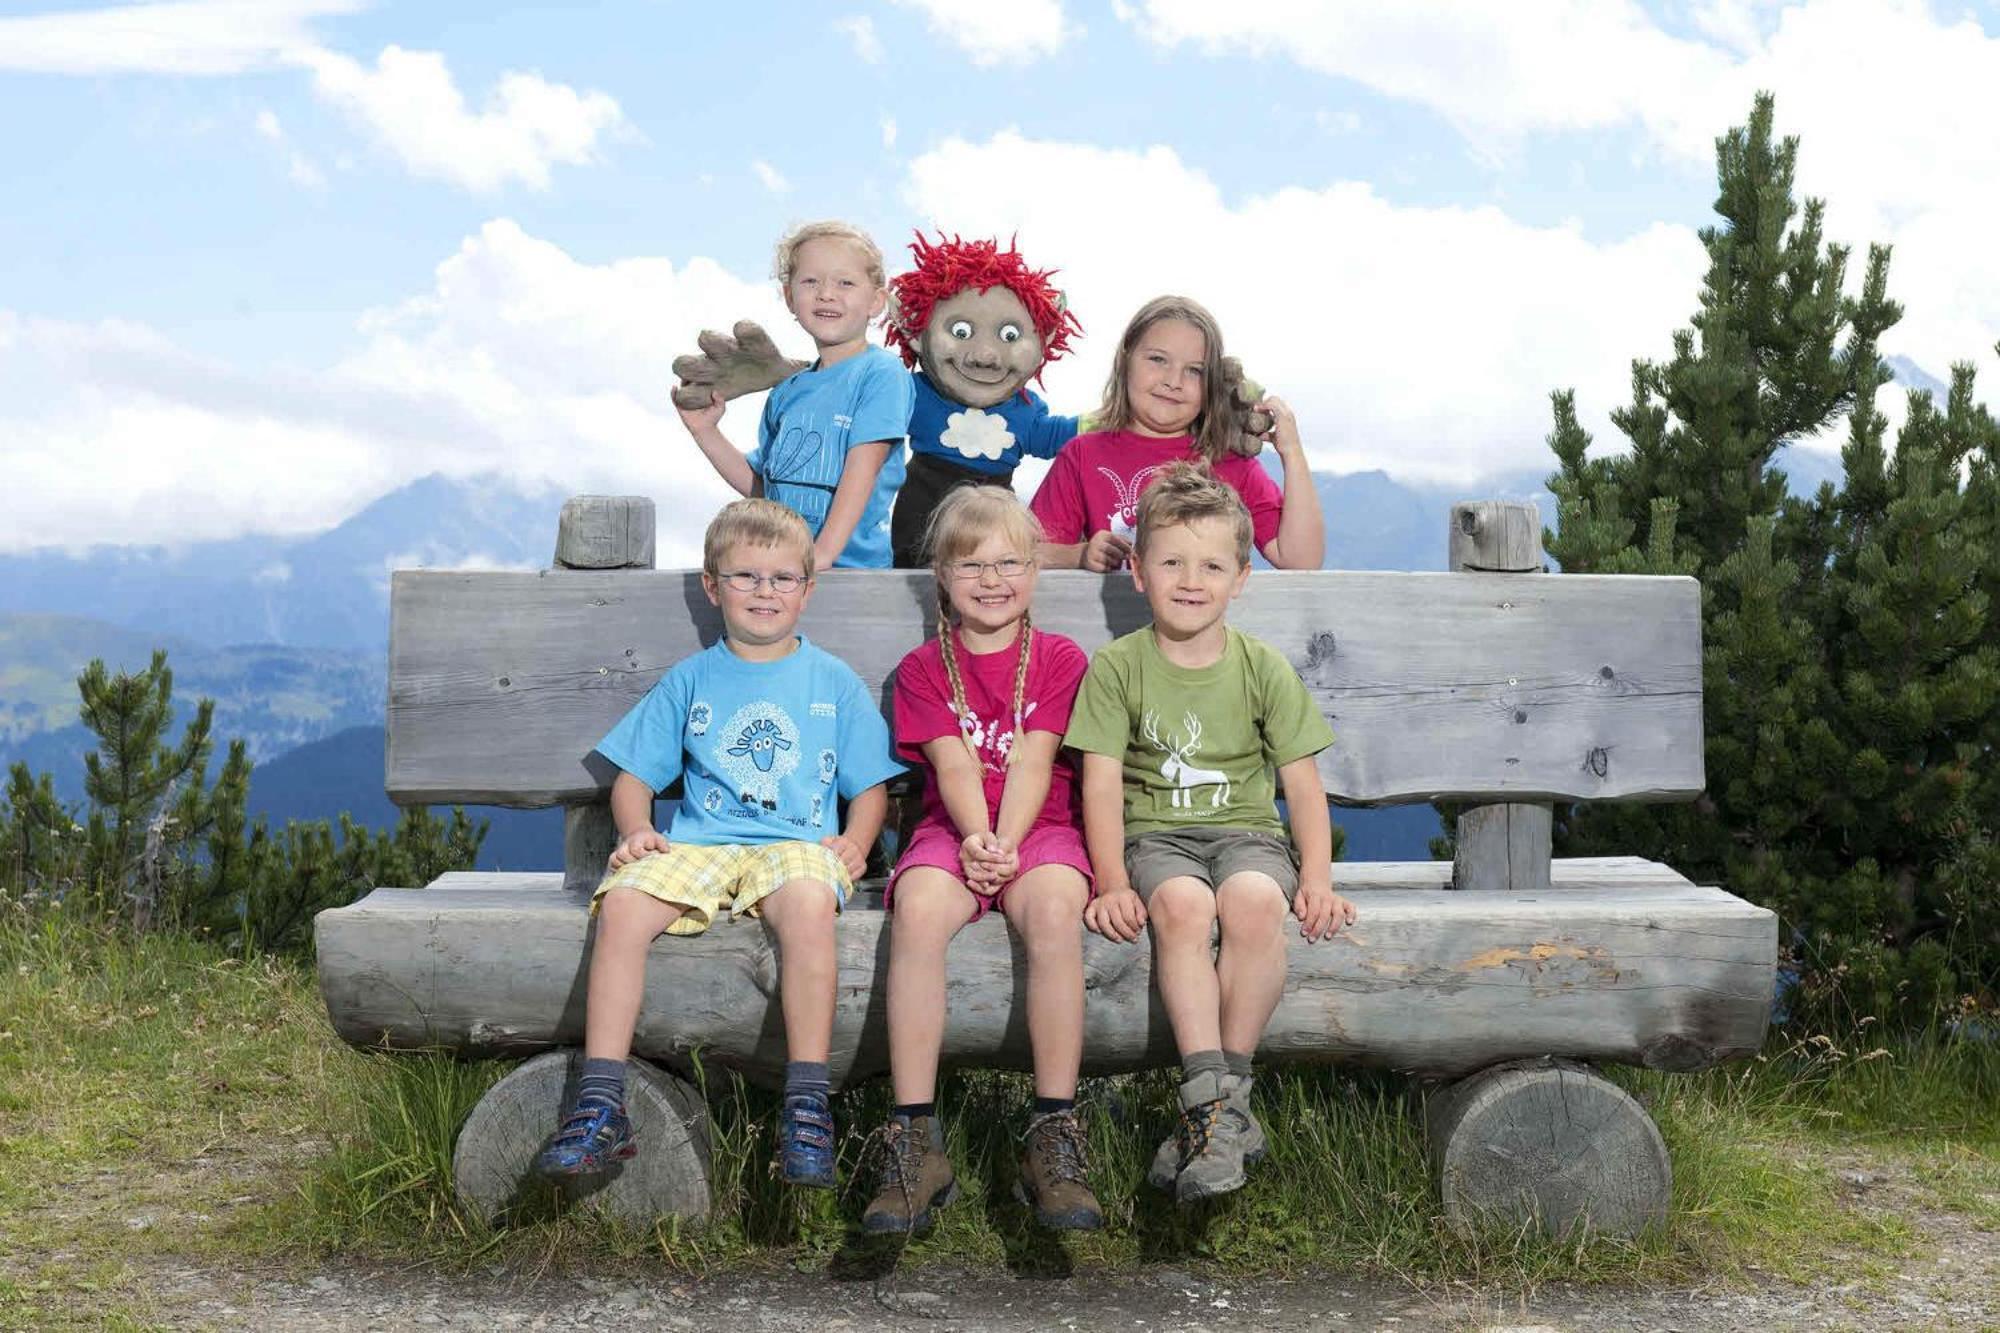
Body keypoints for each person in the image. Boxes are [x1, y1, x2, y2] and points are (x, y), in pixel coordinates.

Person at [532, 498, 902, 1188]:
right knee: (623, 907)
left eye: (782, 578)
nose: (765, 592)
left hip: (794, 841)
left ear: (807, 590)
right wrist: (638, 828)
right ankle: (602, 1099)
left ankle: (806, 1102)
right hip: (700, 844)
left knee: (809, 907)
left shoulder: (833, 682)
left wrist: (855, 840)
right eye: (745, 576)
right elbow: (634, 778)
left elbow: (871, 786)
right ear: (712, 586)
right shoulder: (692, 678)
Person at [1064, 464, 1356, 1203]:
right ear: (1137, 571)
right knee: (1186, 909)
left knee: (1258, 902)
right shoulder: (1117, 667)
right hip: (1156, 841)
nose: (1191, 580)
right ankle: (1207, 1097)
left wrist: (1315, 878)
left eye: (1212, 565)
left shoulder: (1261, 667)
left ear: (1241, 577)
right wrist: (1111, 883)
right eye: (1171, 562)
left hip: (1248, 836)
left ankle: (1224, 1102)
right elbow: (1099, 784)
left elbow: (1301, 786)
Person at [860, 486, 1101, 1233]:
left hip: (1043, 828)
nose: (992, 579)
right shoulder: (926, 666)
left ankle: (1053, 1132)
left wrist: (1006, 844)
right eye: (972, 564)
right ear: (941, 573)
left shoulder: (1060, 659)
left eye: (1009, 562)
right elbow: (954, 765)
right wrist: (976, 840)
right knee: (921, 908)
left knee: (1057, 909)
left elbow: (1035, 760)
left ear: (1035, 569)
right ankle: (914, 1139)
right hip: (952, 830)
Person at [678, 221, 915, 570]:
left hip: (850, 573)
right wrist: (705, 431)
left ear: (876, 300)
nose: (826, 294)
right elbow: (766, 492)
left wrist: (821, 555)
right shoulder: (787, 391)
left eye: (845, 282)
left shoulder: (881, 374)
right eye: (810, 282)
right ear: (790, 297)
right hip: (784, 572)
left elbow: (862, 470)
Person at [1030, 295, 1324, 572]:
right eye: (1158, 360)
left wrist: (1292, 453)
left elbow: (1301, 560)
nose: (1173, 381)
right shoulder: (1083, 454)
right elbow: (1027, 552)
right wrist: (1078, 555)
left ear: (1212, 384)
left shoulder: (1231, 463)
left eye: (1195, 371)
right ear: (1125, 360)